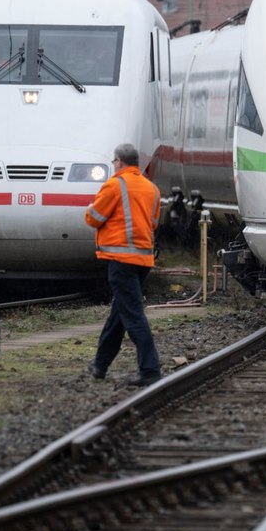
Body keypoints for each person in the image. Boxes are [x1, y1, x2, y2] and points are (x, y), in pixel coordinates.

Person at [85, 143, 163, 387]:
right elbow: (154, 222)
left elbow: (93, 218)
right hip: (143, 260)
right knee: (119, 315)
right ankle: (100, 365)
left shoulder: (114, 185)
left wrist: (90, 207)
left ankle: (150, 369)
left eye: (114, 162)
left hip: (121, 260)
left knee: (132, 316)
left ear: (119, 161)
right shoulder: (152, 189)